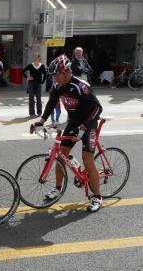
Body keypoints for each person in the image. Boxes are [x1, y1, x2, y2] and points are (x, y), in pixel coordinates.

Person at [30, 54, 104, 213]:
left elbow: (98, 108)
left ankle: (97, 196)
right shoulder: (58, 86)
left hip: (88, 123)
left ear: (66, 72)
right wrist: (41, 121)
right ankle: (58, 188)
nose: (54, 79)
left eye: (56, 75)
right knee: (60, 155)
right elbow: (51, 104)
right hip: (73, 123)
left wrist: (83, 128)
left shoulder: (81, 86)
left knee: (87, 158)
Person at [22, 53, 47, 118]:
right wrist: (27, 77)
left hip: (38, 84)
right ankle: (32, 113)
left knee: (39, 99)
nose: (35, 58)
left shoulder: (42, 66)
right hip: (31, 84)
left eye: (36, 57)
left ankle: (39, 113)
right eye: (34, 57)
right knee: (31, 99)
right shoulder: (30, 65)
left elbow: (45, 75)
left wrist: (42, 81)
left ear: (39, 58)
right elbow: (22, 71)